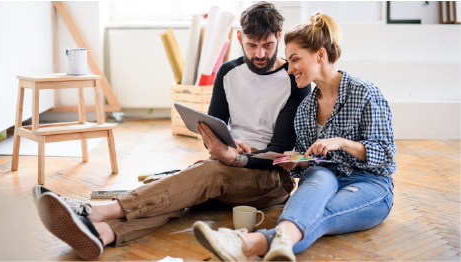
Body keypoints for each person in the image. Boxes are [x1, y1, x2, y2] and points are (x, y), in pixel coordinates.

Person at [34, 2, 311, 260]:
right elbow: (213, 131)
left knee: (203, 175)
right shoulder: (227, 73)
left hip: (270, 180)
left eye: (268, 45)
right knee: (181, 194)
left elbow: (279, 153)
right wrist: (224, 146)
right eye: (252, 45)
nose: (260, 54)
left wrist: (234, 158)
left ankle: (94, 211)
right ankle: (103, 234)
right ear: (240, 38)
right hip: (228, 168)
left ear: (279, 35)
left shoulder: (293, 80)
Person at [192, 12, 396, 262]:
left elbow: (385, 154)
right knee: (317, 178)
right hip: (324, 174)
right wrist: (296, 160)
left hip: (368, 182)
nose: (289, 69)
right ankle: (260, 245)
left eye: (295, 60)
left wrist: (341, 143)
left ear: (320, 55)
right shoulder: (305, 108)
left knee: (322, 215)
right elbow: (309, 161)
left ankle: (246, 243)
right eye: (288, 61)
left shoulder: (364, 93)